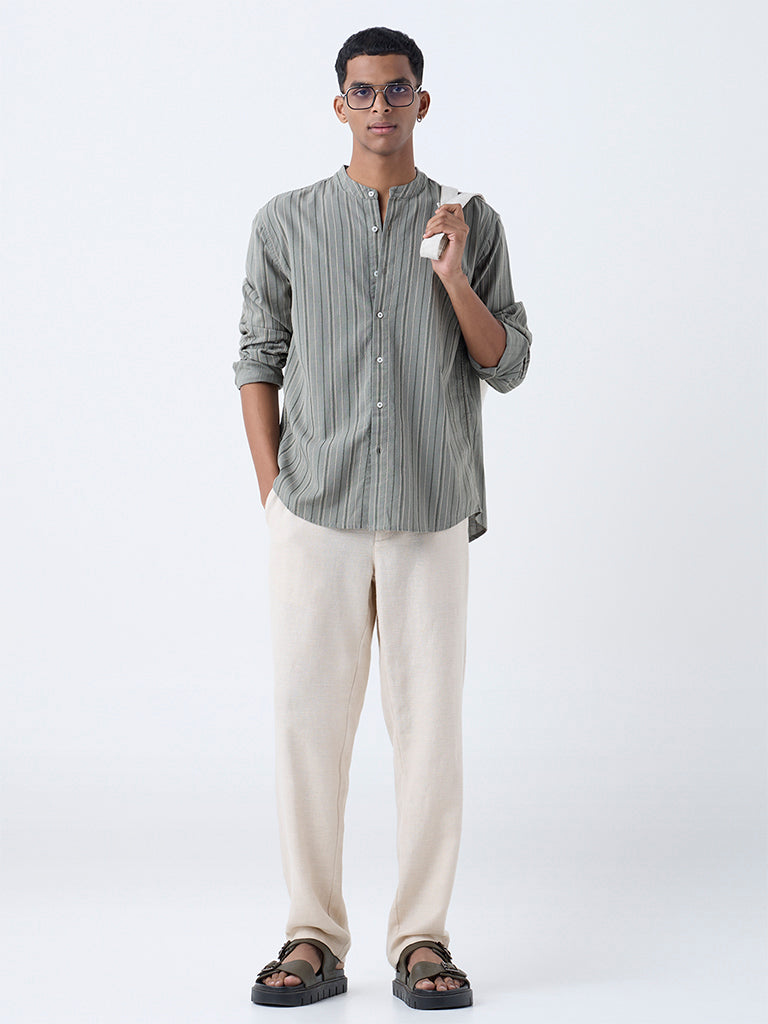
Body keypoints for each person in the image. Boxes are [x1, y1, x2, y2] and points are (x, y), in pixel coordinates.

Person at [233, 25, 532, 1010]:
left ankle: (423, 939)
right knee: (306, 727)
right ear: (340, 105)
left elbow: (507, 362)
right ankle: (311, 935)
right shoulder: (285, 221)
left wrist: (451, 274)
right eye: (361, 92)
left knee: (429, 731)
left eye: (397, 90)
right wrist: (275, 494)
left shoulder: (470, 223)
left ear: (421, 102)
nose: (380, 107)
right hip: (314, 510)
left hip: (429, 510)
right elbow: (258, 357)